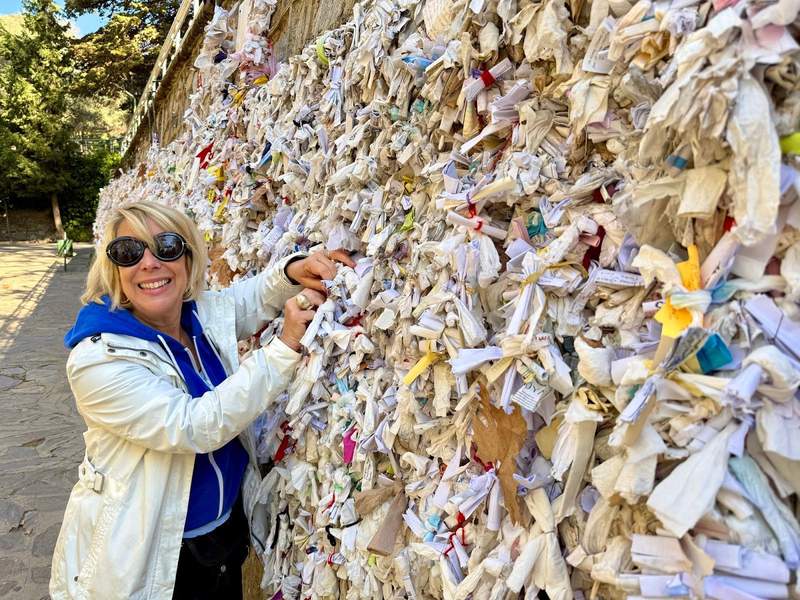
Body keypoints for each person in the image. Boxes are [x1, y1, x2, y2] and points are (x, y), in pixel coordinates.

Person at [49, 201, 354, 600]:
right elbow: (193, 425)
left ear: (189, 258)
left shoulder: (193, 315)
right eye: (129, 252)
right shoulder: (97, 360)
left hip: (224, 534)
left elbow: (245, 300)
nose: (149, 263)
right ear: (114, 268)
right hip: (161, 556)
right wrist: (285, 347)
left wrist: (292, 274)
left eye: (167, 247)